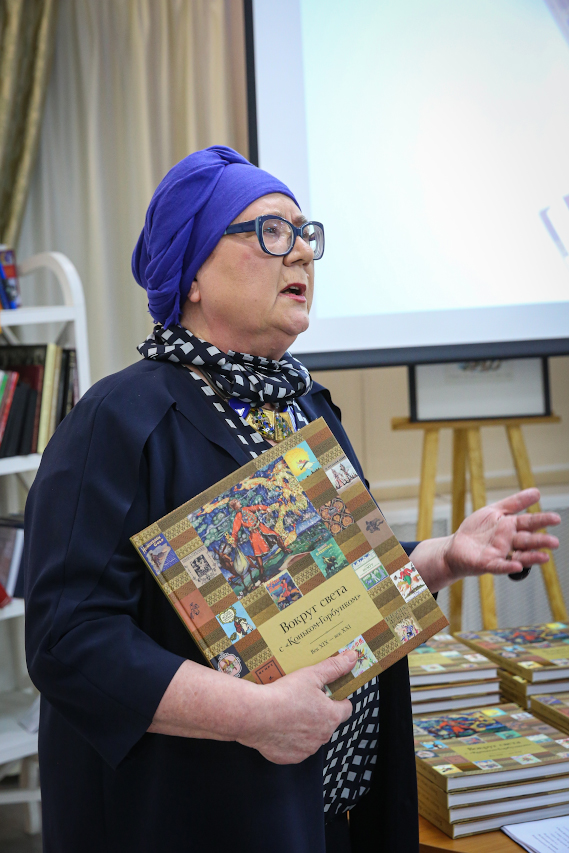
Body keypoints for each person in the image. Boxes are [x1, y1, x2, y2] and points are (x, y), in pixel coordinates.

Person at [24, 146, 561, 853]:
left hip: (324, 809)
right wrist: (253, 715)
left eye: (305, 233)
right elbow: (69, 641)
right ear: (192, 273)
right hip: (194, 821)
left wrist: (442, 556)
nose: (301, 251)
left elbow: (317, 578)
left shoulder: (302, 404)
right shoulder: (117, 419)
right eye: (271, 232)